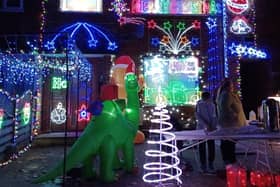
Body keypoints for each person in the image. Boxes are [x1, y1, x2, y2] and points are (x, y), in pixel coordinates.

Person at [216, 78, 247, 165]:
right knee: (228, 143)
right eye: (231, 85)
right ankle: (229, 161)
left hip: (231, 124)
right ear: (227, 86)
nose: (233, 86)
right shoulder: (226, 95)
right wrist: (234, 116)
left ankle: (230, 161)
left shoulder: (230, 94)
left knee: (230, 142)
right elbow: (225, 108)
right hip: (229, 124)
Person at [195, 91, 217, 173]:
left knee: (211, 145)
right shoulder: (199, 105)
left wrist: (213, 126)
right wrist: (206, 125)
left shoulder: (212, 105)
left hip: (211, 129)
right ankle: (203, 164)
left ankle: (211, 163)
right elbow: (198, 116)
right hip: (201, 129)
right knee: (202, 146)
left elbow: (214, 116)